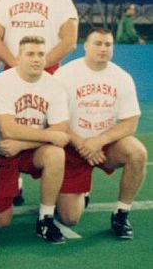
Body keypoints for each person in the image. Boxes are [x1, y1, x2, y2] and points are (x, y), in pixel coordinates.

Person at [0, 0, 78, 205]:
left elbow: (69, 40)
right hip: (14, 68)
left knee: (54, 126)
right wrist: (17, 64)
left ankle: (63, 185)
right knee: (10, 126)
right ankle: (12, 178)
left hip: (48, 70)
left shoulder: (60, 0)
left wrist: (37, 65)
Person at [54, 28, 147, 239]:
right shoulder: (65, 75)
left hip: (105, 146)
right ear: (85, 46)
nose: (103, 48)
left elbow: (130, 122)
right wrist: (83, 145)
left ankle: (121, 214)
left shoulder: (121, 77)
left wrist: (99, 141)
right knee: (69, 218)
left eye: (107, 44)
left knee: (137, 152)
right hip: (73, 146)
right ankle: (82, 191)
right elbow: (56, 120)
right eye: (97, 43)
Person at [0, 35, 70, 244]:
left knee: (56, 154)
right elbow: (7, 129)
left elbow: (61, 132)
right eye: (30, 54)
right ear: (19, 57)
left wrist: (24, 144)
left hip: (30, 150)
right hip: (4, 151)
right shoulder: (3, 81)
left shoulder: (54, 86)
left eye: (41, 54)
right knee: (0, 222)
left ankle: (45, 218)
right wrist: (50, 135)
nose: (36, 59)